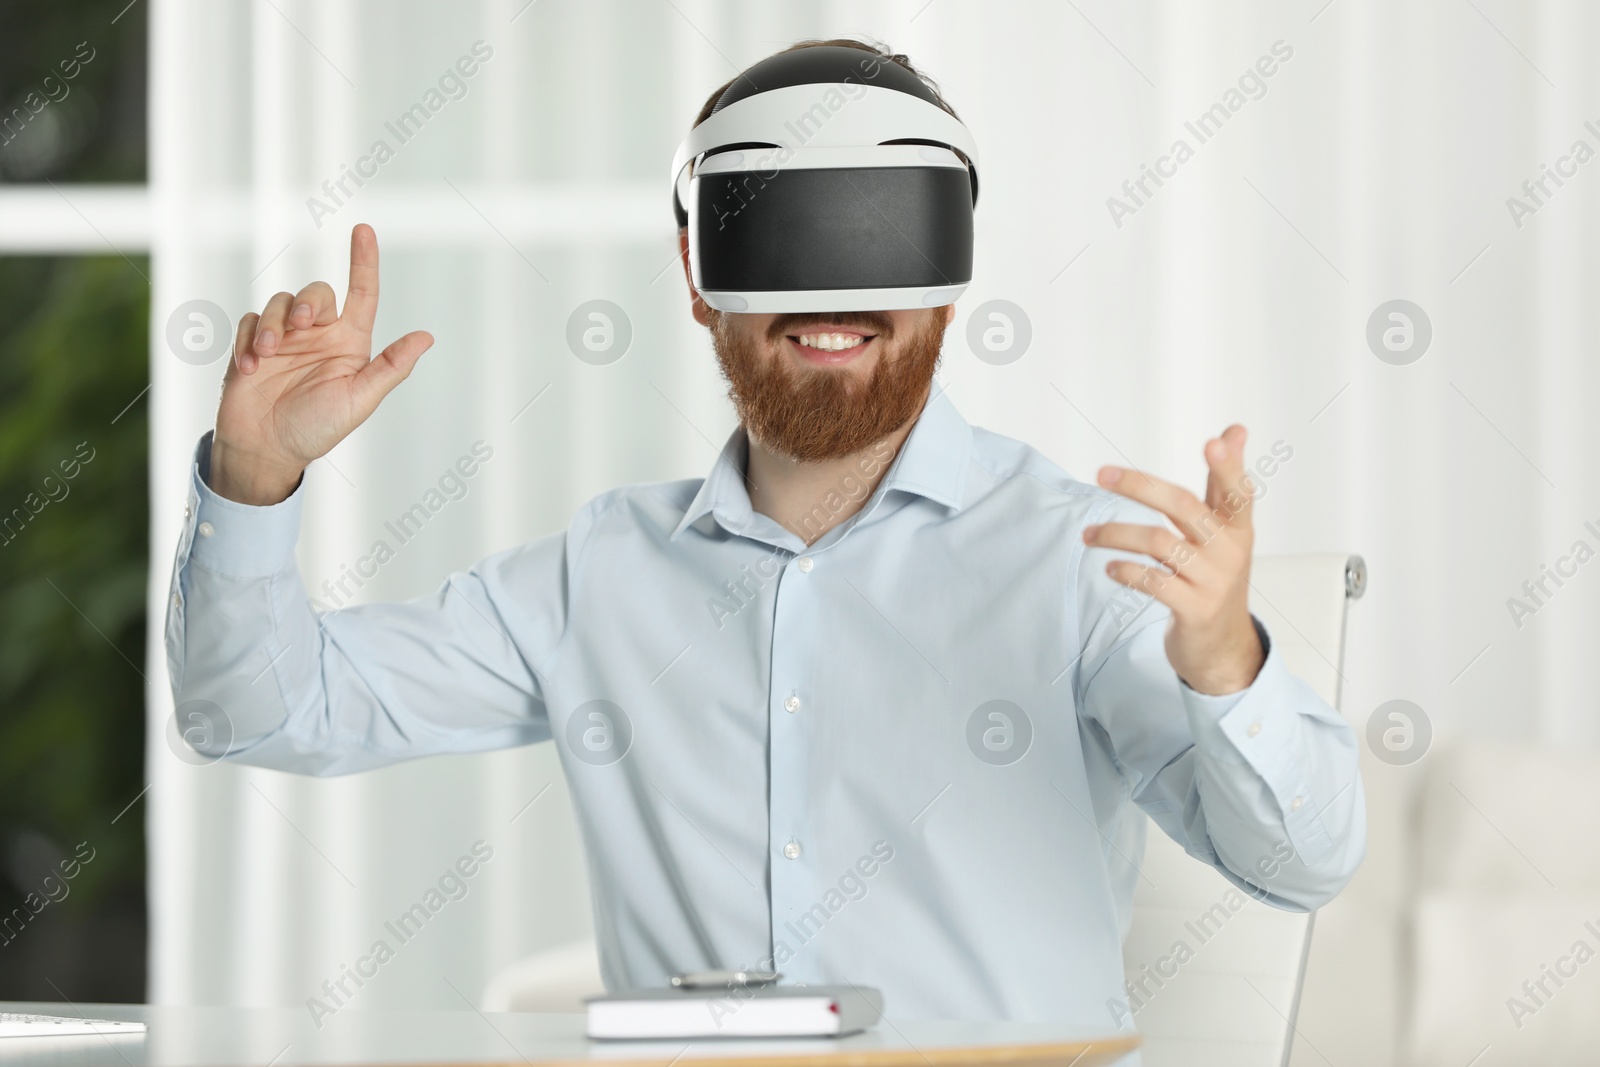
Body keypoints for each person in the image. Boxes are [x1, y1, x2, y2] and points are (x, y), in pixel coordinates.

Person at [166, 37, 1364, 1029]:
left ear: (950, 272)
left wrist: (1227, 667)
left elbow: (1306, 863)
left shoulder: (1086, 560)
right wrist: (254, 477)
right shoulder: (600, 575)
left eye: (881, 229)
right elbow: (254, 709)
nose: (833, 299)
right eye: (780, 233)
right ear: (697, 272)